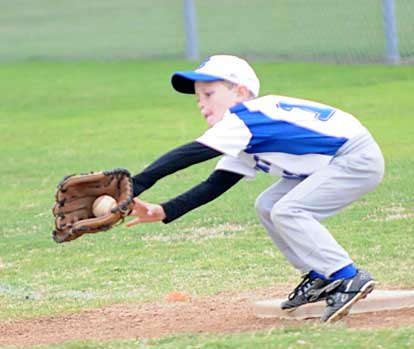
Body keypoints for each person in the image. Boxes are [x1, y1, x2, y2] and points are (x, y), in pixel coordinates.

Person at [126, 55, 385, 323]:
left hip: (354, 158)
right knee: (268, 205)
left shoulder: (247, 117)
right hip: (332, 161)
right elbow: (215, 183)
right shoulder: (251, 127)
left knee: (288, 209)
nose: (202, 104)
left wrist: (138, 183)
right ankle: (319, 274)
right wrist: (164, 211)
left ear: (240, 92)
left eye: (209, 93)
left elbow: (193, 152)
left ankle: (346, 275)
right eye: (198, 99)